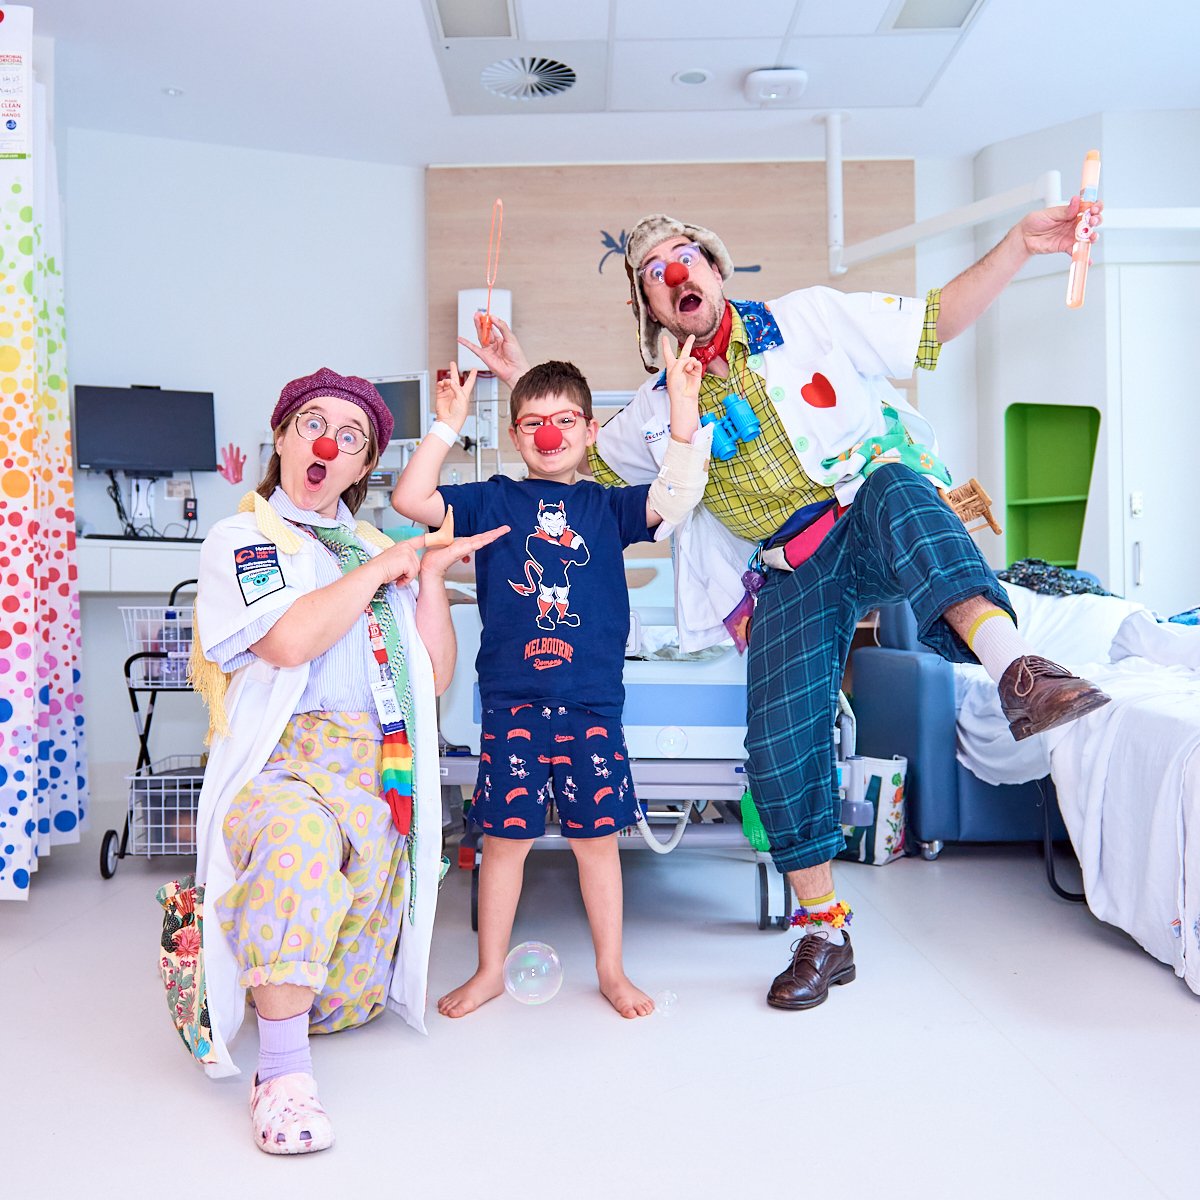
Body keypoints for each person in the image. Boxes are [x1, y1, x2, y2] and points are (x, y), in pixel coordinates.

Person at [458, 201, 1111, 1012]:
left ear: (714, 269)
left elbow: (934, 327)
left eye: (685, 254)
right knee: (776, 746)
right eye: (654, 274)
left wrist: (1018, 244)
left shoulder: (812, 317)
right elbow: (565, 460)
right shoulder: (654, 414)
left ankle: (1020, 672)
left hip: (861, 519)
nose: (673, 272)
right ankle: (825, 933)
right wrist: (513, 363)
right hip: (785, 573)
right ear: (650, 311)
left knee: (897, 485)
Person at [186, 367, 507, 1155]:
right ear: (284, 438)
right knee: (295, 850)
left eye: (352, 437)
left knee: (346, 998)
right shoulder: (247, 539)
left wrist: (425, 576)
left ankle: (274, 1000)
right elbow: (289, 641)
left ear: (364, 468)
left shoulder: (375, 548)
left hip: (375, 774)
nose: (328, 442)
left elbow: (429, 681)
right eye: (311, 424)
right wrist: (382, 569)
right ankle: (281, 1078)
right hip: (284, 767)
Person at [391, 348, 707, 1018]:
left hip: (592, 705)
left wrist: (682, 405)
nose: (549, 434)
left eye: (565, 420)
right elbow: (409, 498)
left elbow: (675, 497)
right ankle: (489, 971)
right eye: (534, 421)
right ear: (514, 436)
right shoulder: (493, 500)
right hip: (512, 705)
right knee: (504, 843)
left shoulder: (605, 507)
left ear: (590, 431)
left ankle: (612, 971)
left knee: (597, 843)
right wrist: (446, 425)